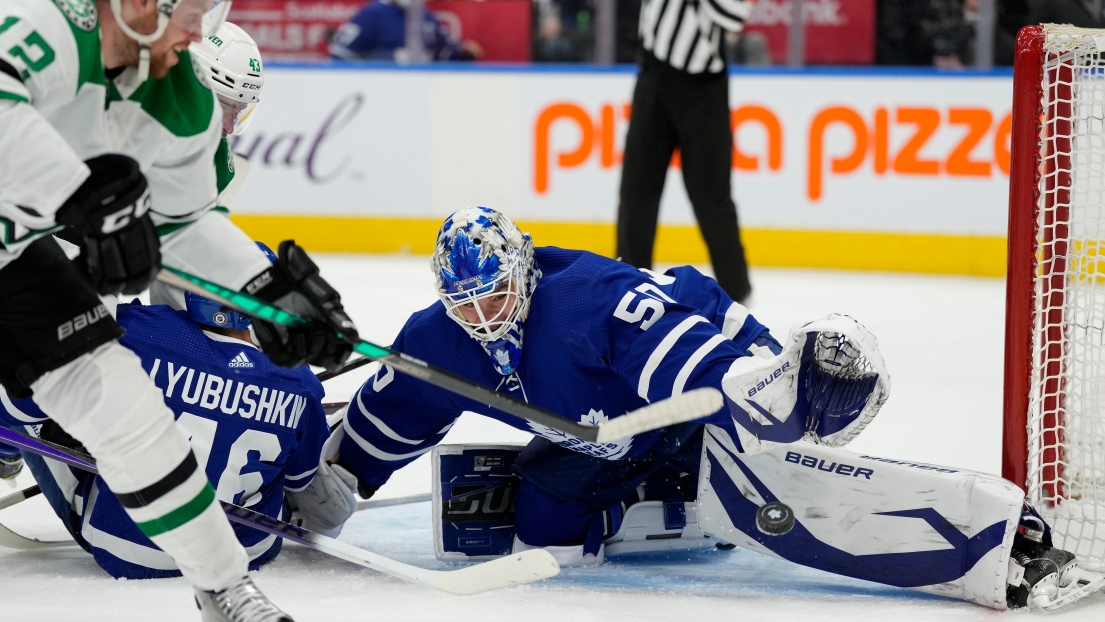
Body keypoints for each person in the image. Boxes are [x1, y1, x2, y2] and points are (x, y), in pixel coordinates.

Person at [330, 207, 1104, 611]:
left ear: (523, 271)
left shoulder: (587, 302)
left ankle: (997, 540)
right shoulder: (439, 337)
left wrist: (753, 397)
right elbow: (391, 412)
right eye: (463, 302)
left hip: (689, 409)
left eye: (492, 294)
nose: (481, 317)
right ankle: (650, 500)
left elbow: (692, 362)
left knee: (774, 504)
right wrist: (329, 480)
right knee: (541, 515)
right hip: (607, 442)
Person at [0, 0, 359, 619]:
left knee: (130, 414)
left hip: (24, 255)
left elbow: (186, 225)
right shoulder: (49, 25)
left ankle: (225, 588)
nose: (199, 34)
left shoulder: (184, 104)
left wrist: (266, 289)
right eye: (190, 14)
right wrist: (81, 193)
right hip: (37, 234)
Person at [0, 243, 355, 579]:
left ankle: (4, 454)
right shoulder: (302, 381)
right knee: (288, 451)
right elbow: (313, 494)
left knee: (43, 381)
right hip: (250, 551)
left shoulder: (133, 331)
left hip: (131, 549)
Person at [615, 0, 753, 304]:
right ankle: (626, 288)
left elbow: (734, 15)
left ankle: (737, 292)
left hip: (704, 89)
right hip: (653, 74)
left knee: (711, 197)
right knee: (636, 191)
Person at [328, 0, 482, 62]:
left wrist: (463, 55)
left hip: (421, 92)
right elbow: (341, 54)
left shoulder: (426, 18)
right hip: (380, 92)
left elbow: (444, 52)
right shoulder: (372, 14)